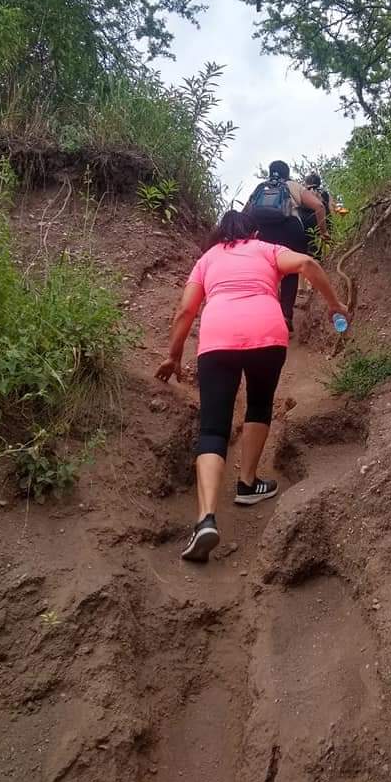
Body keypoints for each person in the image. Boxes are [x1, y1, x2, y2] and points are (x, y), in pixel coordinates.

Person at [155, 209, 349, 562]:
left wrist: (173, 356)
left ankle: (205, 520)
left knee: (213, 427)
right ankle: (247, 483)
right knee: (259, 404)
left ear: (219, 234)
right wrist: (335, 304)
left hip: (217, 339)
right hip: (267, 335)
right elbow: (306, 263)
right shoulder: (266, 249)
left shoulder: (207, 259)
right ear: (253, 231)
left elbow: (185, 311)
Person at [245, 160, 328, 331]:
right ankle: (285, 316)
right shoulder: (292, 185)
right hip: (291, 231)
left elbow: (245, 215)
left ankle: (264, 315)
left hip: (264, 234)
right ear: (287, 173)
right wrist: (323, 232)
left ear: (270, 172)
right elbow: (319, 206)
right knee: (290, 274)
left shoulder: (260, 188)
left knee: (267, 273)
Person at [299, 172, 334, 258]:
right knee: (326, 249)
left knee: (311, 250)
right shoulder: (326, 194)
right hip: (325, 223)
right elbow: (331, 209)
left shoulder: (304, 192)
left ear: (306, 182)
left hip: (307, 225)